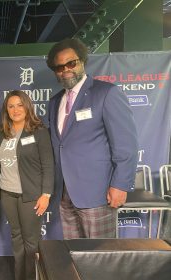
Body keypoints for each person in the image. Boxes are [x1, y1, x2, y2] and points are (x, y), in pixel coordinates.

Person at [46, 38, 138, 239]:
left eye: (71, 63)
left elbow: (126, 145)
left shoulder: (106, 93)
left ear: (83, 62)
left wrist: (120, 185)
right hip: (65, 194)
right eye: (59, 67)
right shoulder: (54, 102)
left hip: (98, 193)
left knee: (102, 258)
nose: (66, 70)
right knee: (76, 257)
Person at [0, 90, 54, 280]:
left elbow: (48, 164)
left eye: (19, 105)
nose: (15, 109)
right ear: (6, 110)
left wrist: (46, 194)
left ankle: (33, 276)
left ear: (27, 106)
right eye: (11, 106)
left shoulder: (38, 131)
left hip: (31, 195)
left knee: (31, 241)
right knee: (16, 238)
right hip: (7, 193)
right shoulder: (0, 133)